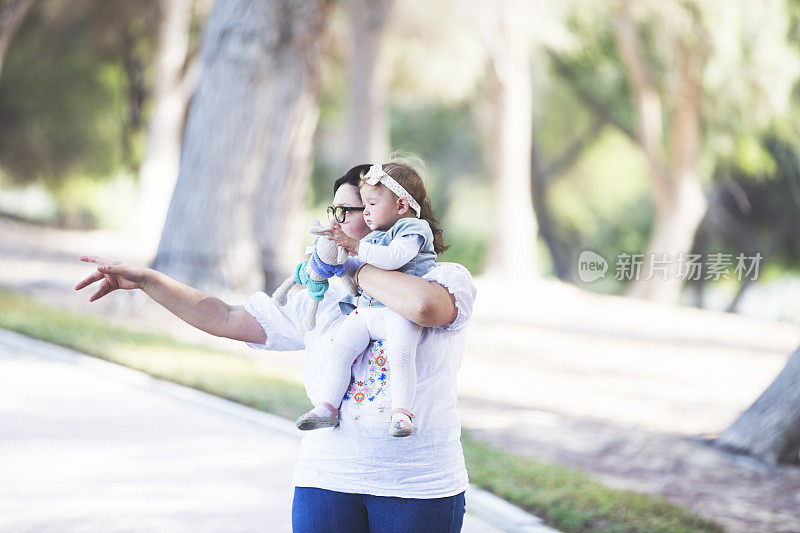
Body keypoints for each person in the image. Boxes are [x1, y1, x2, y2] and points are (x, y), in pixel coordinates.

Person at [74, 161, 476, 533]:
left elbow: (422, 308)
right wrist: (150, 281)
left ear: (393, 211)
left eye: (349, 211)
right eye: (334, 211)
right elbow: (228, 317)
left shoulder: (445, 279)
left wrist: (354, 264)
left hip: (418, 486)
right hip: (327, 481)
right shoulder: (323, 299)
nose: (334, 223)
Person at [296, 161, 447, 438]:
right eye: (363, 206)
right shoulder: (376, 236)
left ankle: (401, 412)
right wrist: (331, 261)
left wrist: (355, 247)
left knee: (401, 353)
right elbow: (354, 276)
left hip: (398, 311)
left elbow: (393, 259)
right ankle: (327, 406)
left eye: (372, 205)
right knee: (340, 349)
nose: (366, 213)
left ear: (401, 206)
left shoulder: (413, 230)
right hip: (368, 310)